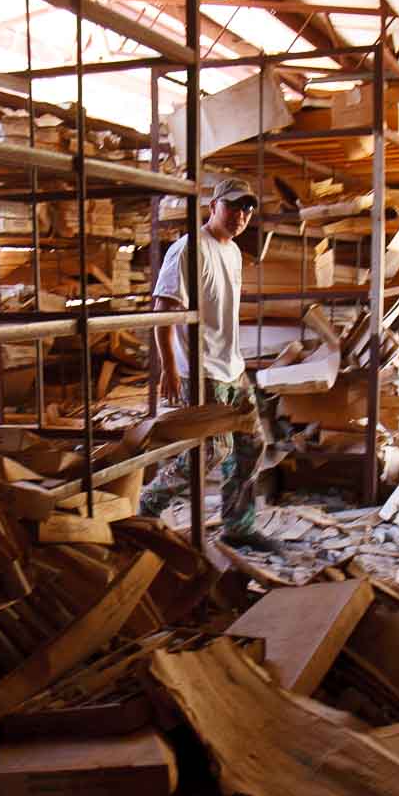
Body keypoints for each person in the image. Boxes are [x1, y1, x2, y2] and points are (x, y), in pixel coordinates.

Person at [139, 177, 280, 550]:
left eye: (247, 209)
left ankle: (238, 525)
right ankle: (147, 507)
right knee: (212, 451)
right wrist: (170, 369)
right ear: (213, 206)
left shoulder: (232, 251)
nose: (241, 215)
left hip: (232, 368)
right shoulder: (188, 249)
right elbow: (163, 312)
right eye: (233, 206)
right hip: (200, 371)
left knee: (252, 444)